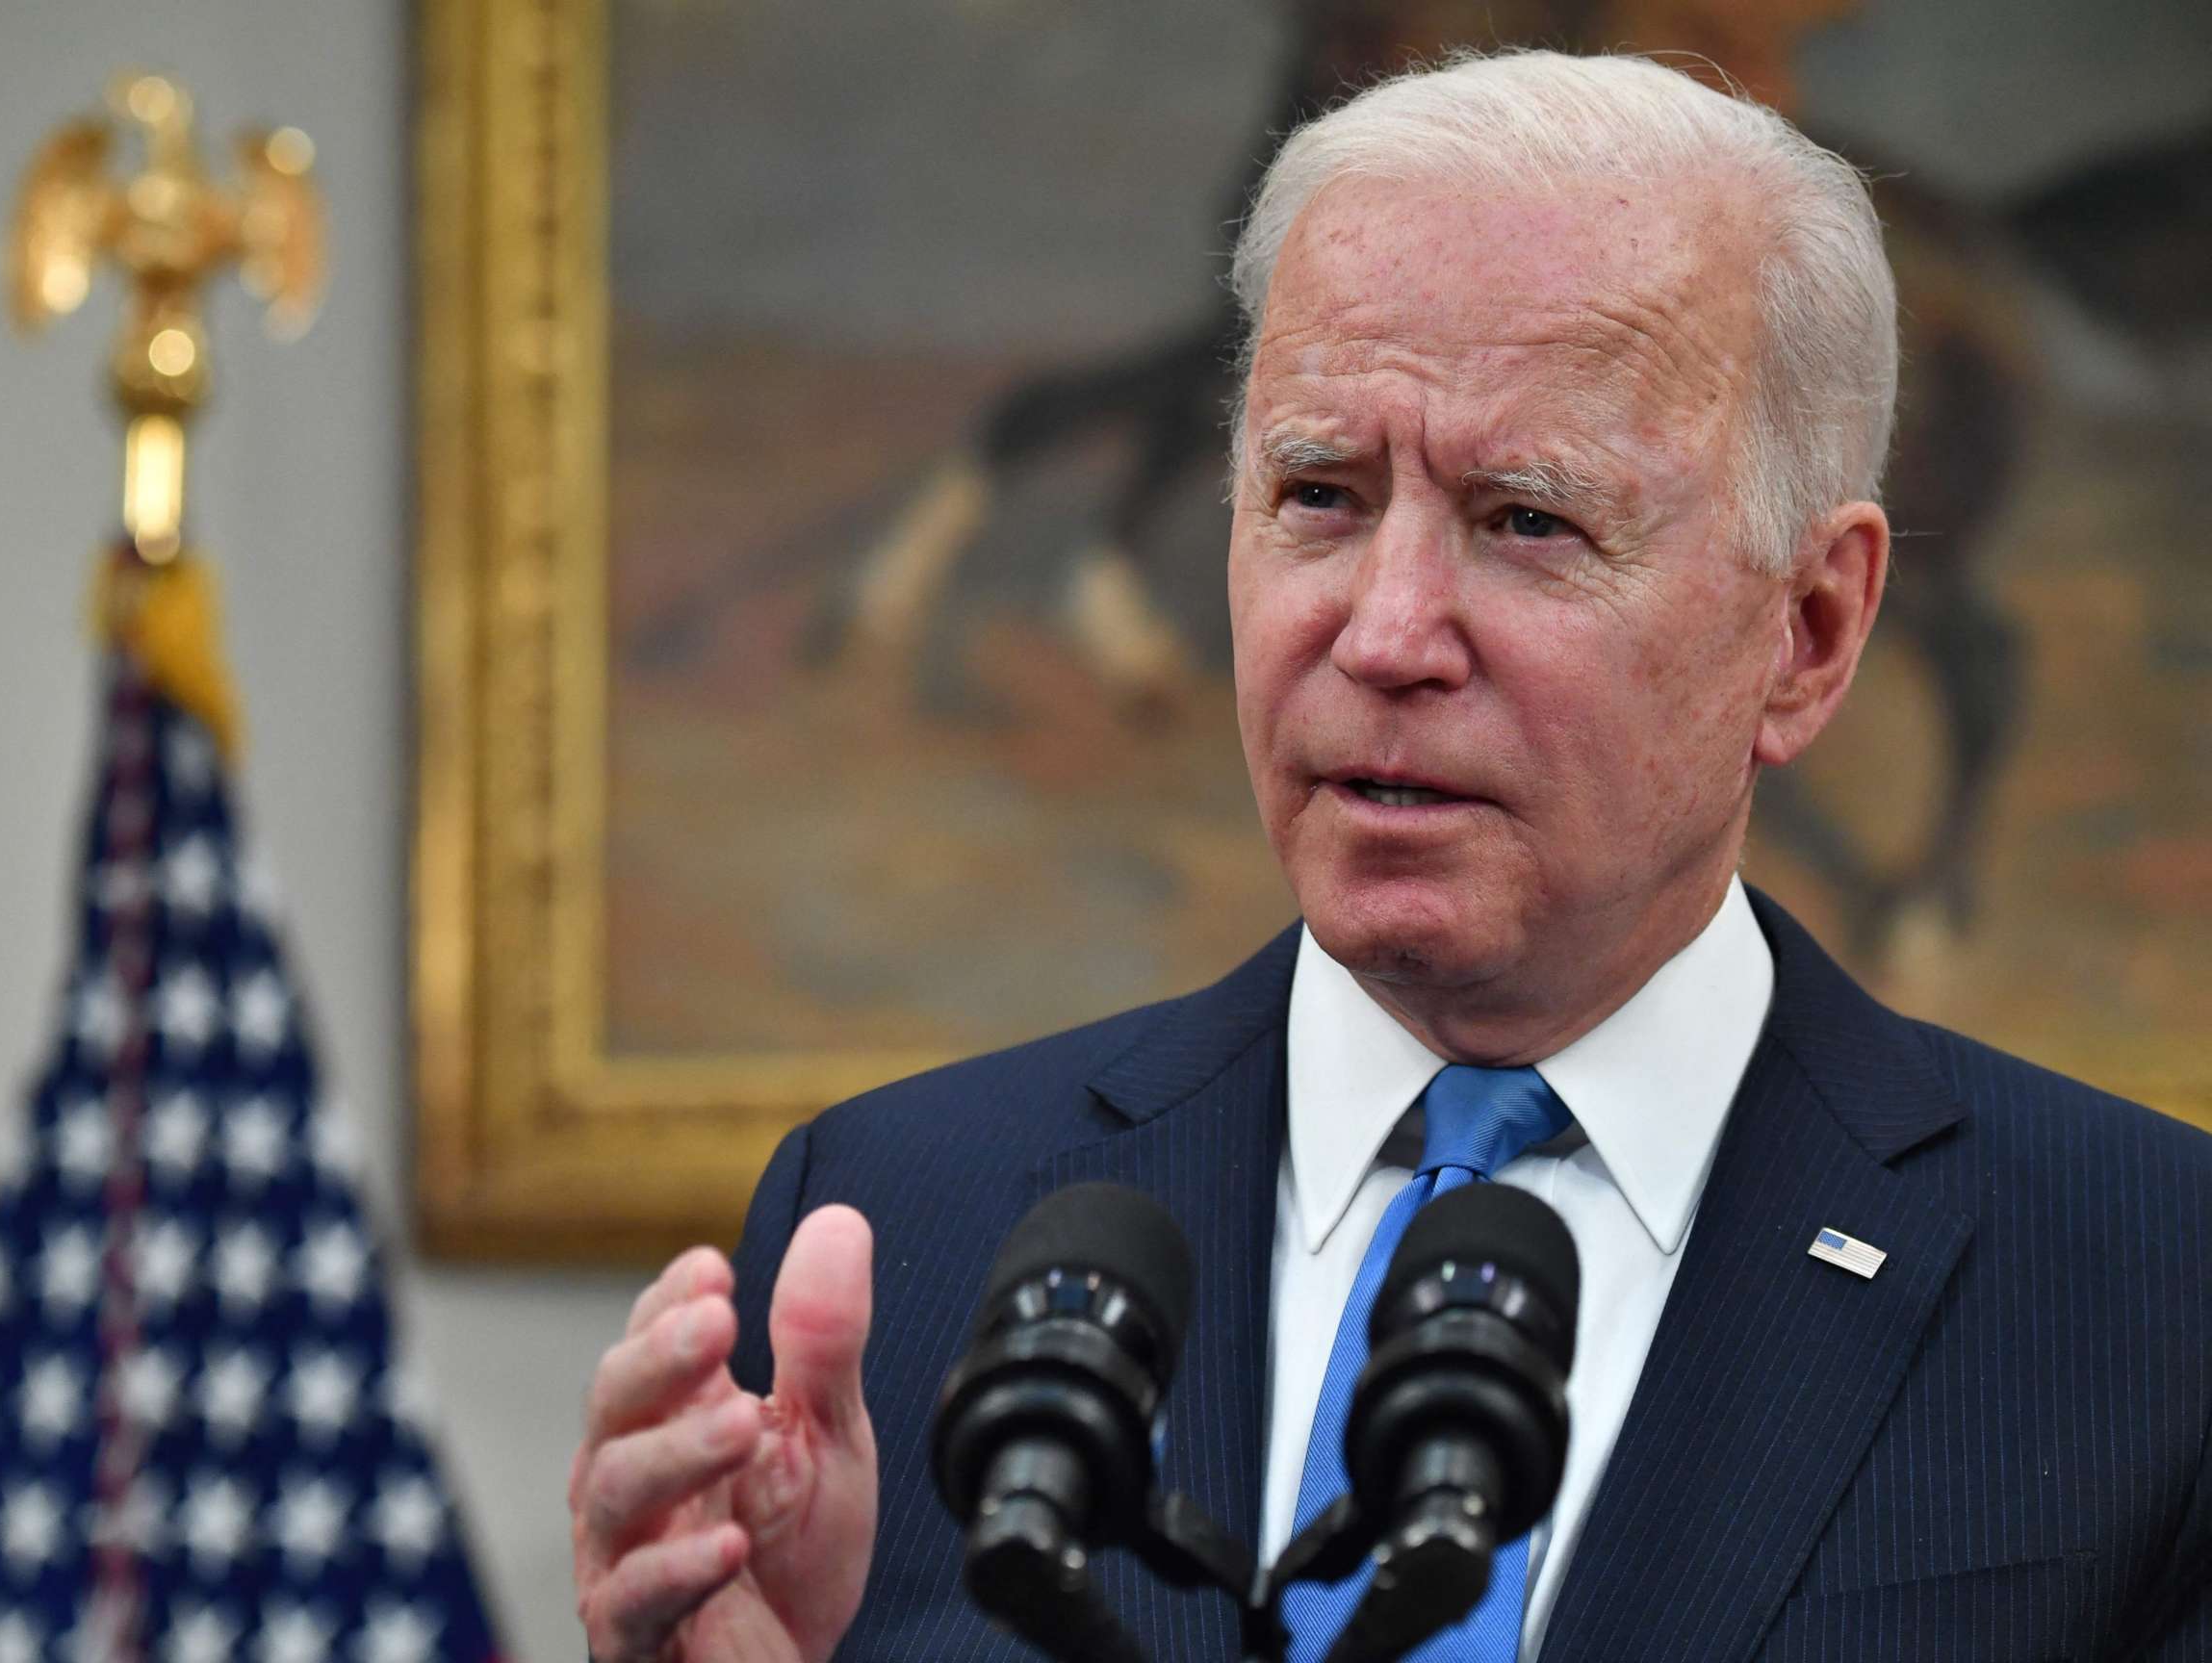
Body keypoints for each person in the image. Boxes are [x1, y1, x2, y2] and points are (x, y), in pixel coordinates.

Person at [569, 50, 2212, 1663]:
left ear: (1809, 630)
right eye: (1320, 494)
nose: (1386, 632)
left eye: (1528, 520)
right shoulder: (891, 1232)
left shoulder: (2146, 1294)